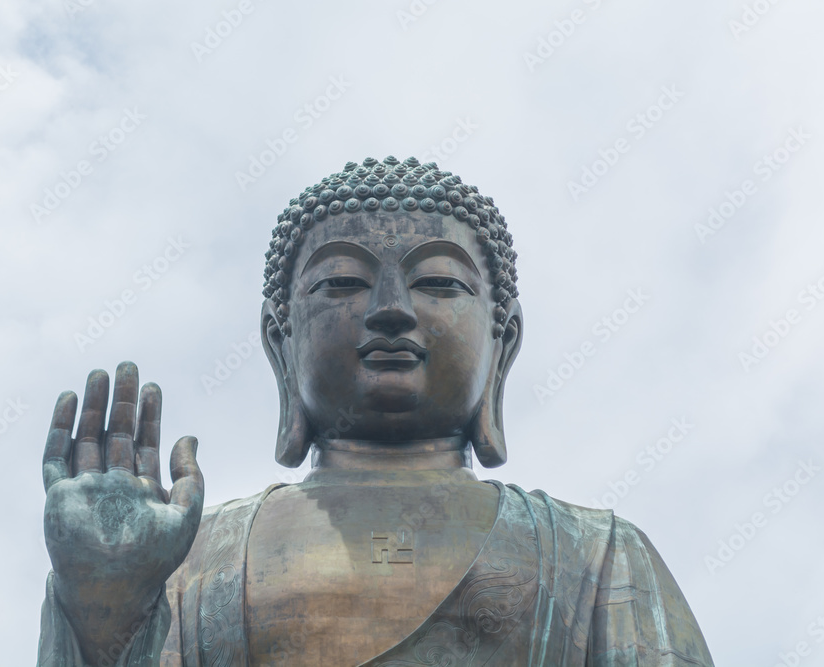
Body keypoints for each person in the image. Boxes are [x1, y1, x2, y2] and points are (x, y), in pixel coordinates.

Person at [37, 156, 715, 666]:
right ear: (282, 339)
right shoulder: (190, 561)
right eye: (341, 283)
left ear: (501, 338)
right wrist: (105, 609)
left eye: (439, 282)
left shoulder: (595, 555)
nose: (391, 307)